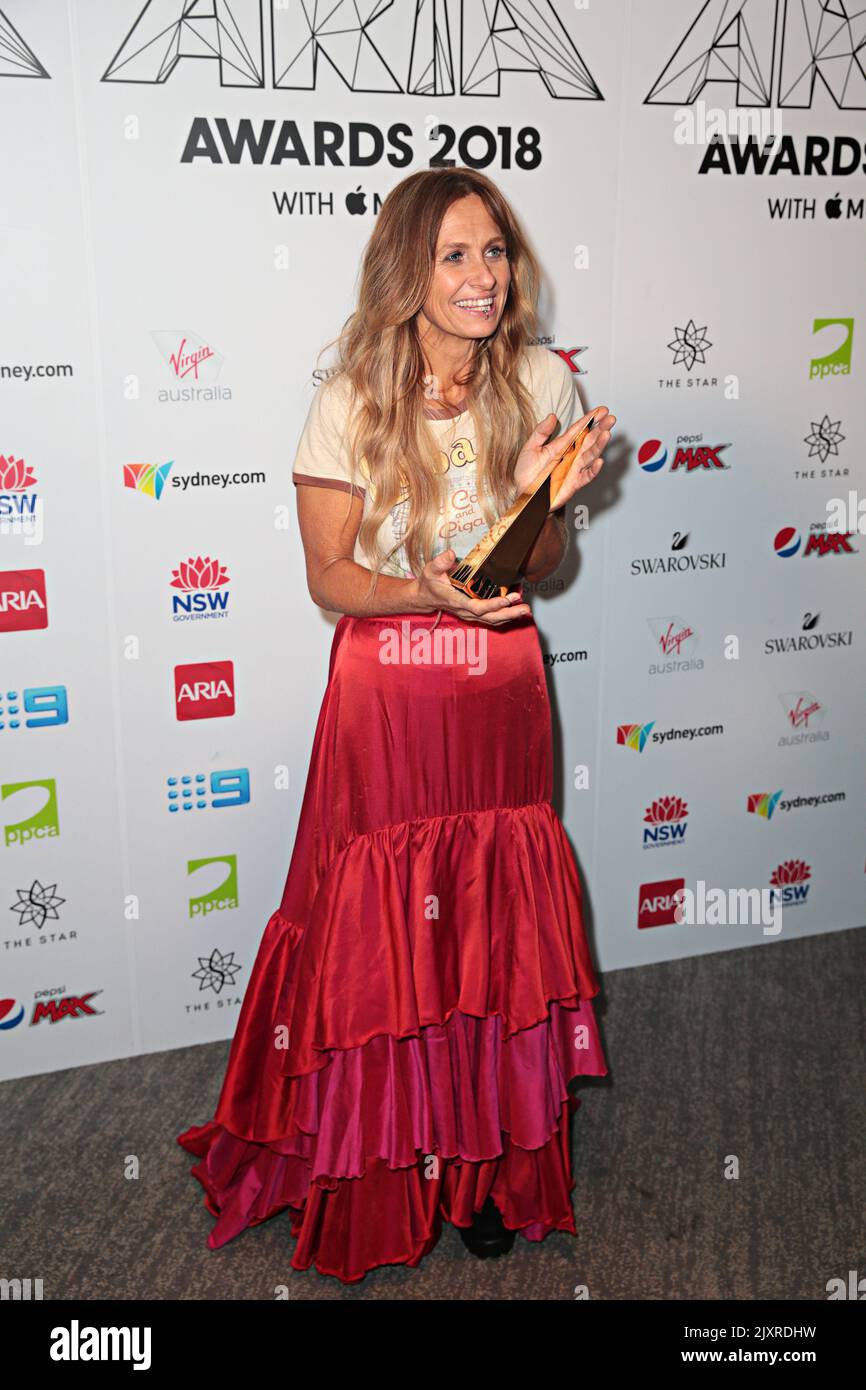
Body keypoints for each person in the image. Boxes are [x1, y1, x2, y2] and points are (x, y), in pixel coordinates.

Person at [177, 167, 616, 1284]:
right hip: (390, 689)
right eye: (454, 254)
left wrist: (539, 501)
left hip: (498, 686)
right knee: (385, 933)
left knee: (487, 928)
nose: (482, 276)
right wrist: (423, 592)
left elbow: (536, 566)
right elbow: (331, 577)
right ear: (406, 271)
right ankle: (383, 1159)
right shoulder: (350, 399)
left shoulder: (539, 380)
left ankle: (483, 1170)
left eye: (494, 251)